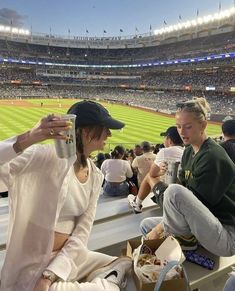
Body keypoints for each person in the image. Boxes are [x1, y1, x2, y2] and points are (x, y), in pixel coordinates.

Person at [0, 100, 132, 291]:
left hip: (68, 260)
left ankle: (108, 282)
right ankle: (109, 283)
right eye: (105, 129)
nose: (109, 134)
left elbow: (81, 234)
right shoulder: (44, 157)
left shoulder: (96, 176)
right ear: (86, 132)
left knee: (130, 266)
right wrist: (30, 137)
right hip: (30, 267)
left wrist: (50, 274)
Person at [140, 97, 235, 256]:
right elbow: (186, 199)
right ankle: (182, 240)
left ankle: (185, 242)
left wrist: (158, 230)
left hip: (226, 235)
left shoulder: (212, 156)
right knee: (145, 225)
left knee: (173, 193)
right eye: (178, 126)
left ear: (203, 125)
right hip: (205, 223)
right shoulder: (189, 152)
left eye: (188, 127)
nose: (182, 132)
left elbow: (192, 200)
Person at [128, 126, 183, 213]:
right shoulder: (185, 151)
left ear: (169, 139)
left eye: (165, 137)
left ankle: (137, 204)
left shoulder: (165, 151)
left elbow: (152, 173)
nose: (164, 139)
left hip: (171, 199)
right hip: (182, 196)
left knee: (149, 176)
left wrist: (160, 172)